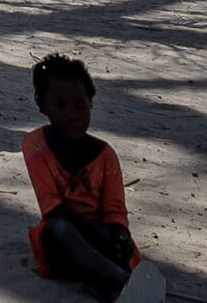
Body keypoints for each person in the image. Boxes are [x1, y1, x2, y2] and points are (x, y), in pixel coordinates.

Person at [22, 54, 163, 302]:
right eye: (59, 105)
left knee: (123, 251)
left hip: (103, 237)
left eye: (80, 106)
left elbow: (115, 210)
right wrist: (97, 234)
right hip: (60, 240)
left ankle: (108, 279)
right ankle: (121, 281)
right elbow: (52, 208)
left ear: (91, 105)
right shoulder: (35, 146)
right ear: (43, 106)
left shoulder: (105, 154)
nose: (71, 114)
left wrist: (119, 235)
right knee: (61, 230)